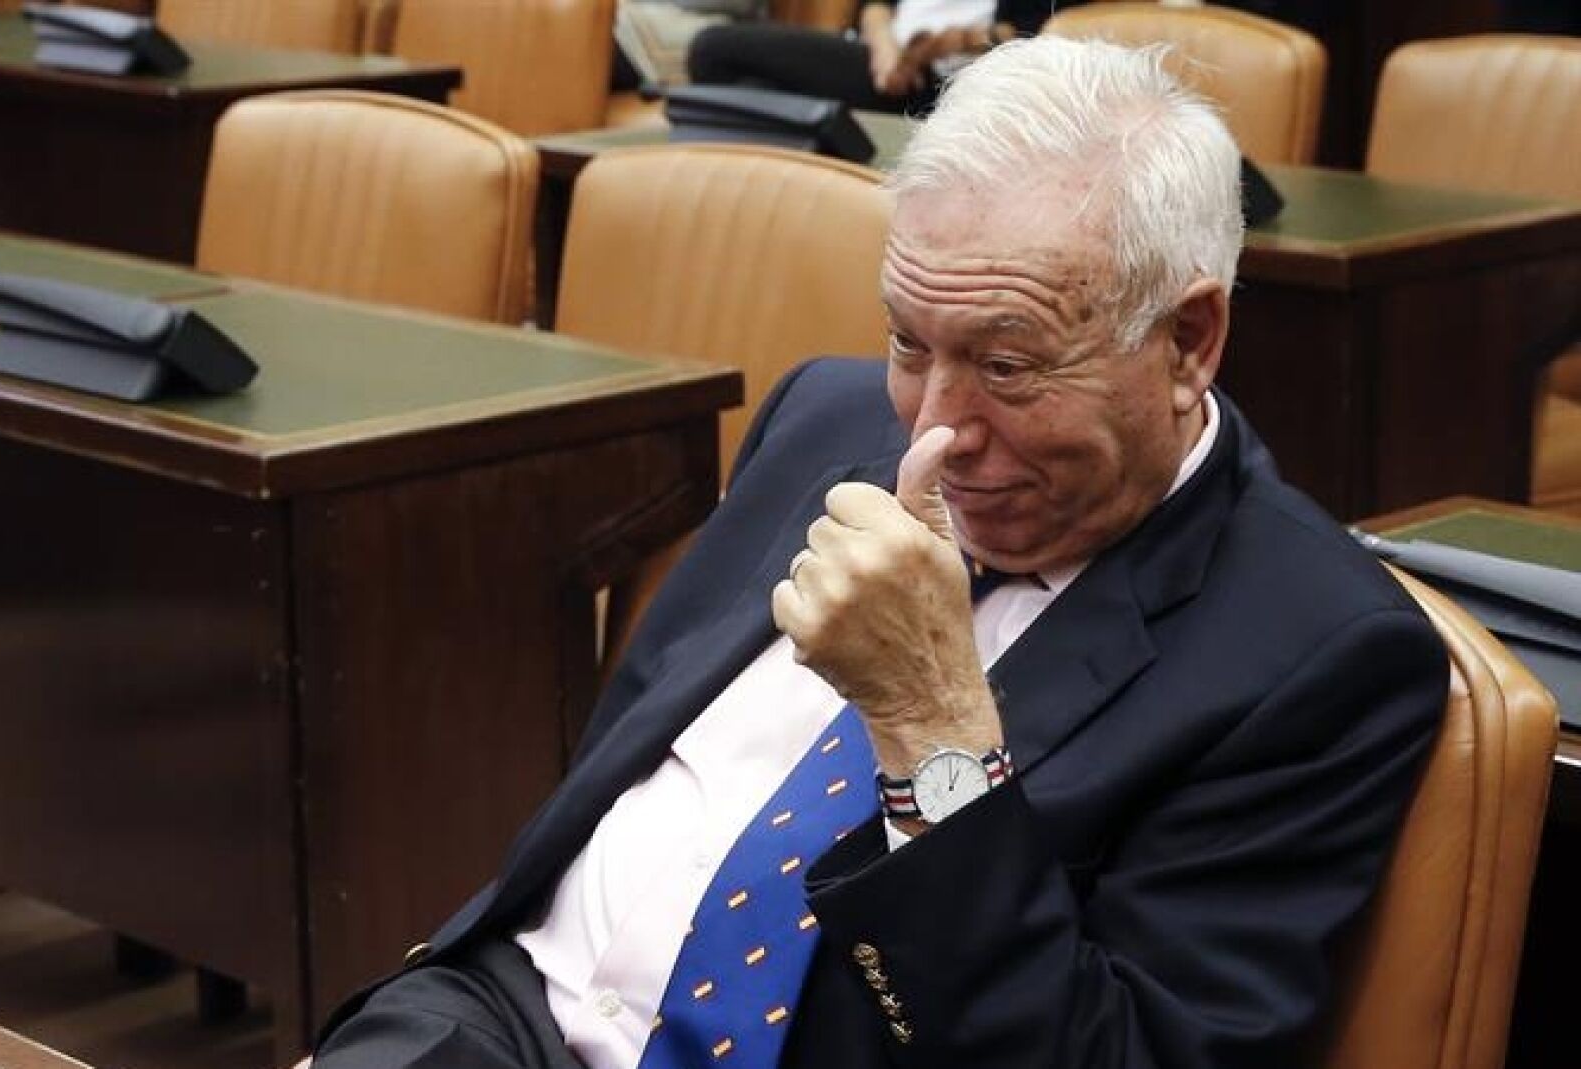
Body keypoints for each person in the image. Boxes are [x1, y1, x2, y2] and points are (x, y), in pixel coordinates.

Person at [308, 35, 1447, 1069]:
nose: (933, 432)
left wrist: (931, 723)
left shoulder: (1314, 651)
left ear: (1188, 341)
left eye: (1007, 365)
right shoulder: (825, 415)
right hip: (503, 1014)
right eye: (909, 341)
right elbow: (615, 780)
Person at [687, 1, 1052, 113]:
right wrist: (884, 49)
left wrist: (953, 42)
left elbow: (1035, 34)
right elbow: (875, 7)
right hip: (883, 61)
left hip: (944, 82)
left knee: (714, 49)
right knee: (725, 67)